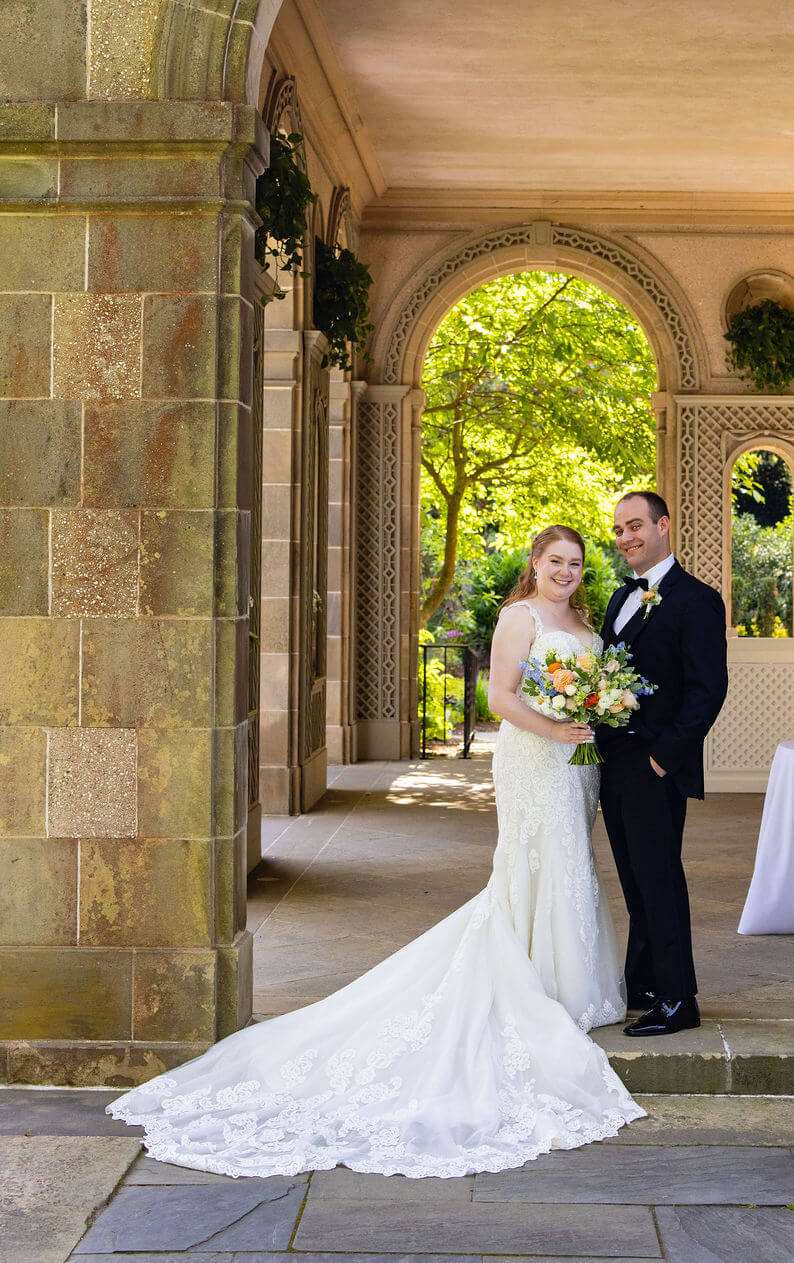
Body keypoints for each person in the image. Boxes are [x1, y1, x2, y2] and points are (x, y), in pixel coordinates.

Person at [107, 523, 643, 1178]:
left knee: (572, 862)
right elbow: (501, 697)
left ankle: (569, 979)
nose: (566, 571)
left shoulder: (583, 622)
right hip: (537, 757)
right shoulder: (519, 617)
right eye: (555, 560)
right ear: (534, 564)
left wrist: (589, 717)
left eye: (575, 563)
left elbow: (591, 688)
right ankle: (542, 982)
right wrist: (558, 725)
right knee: (540, 860)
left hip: (575, 763)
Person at [597, 491, 728, 1037]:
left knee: (660, 879)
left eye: (635, 526)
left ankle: (679, 999)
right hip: (614, 761)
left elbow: (707, 689)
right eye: (619, 529)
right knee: (633, 878)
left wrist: (661, 759)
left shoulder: (697, 599)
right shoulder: (619, 597)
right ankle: (645, 981)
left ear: (663, 526)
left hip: (654, 766)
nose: (626, 537)